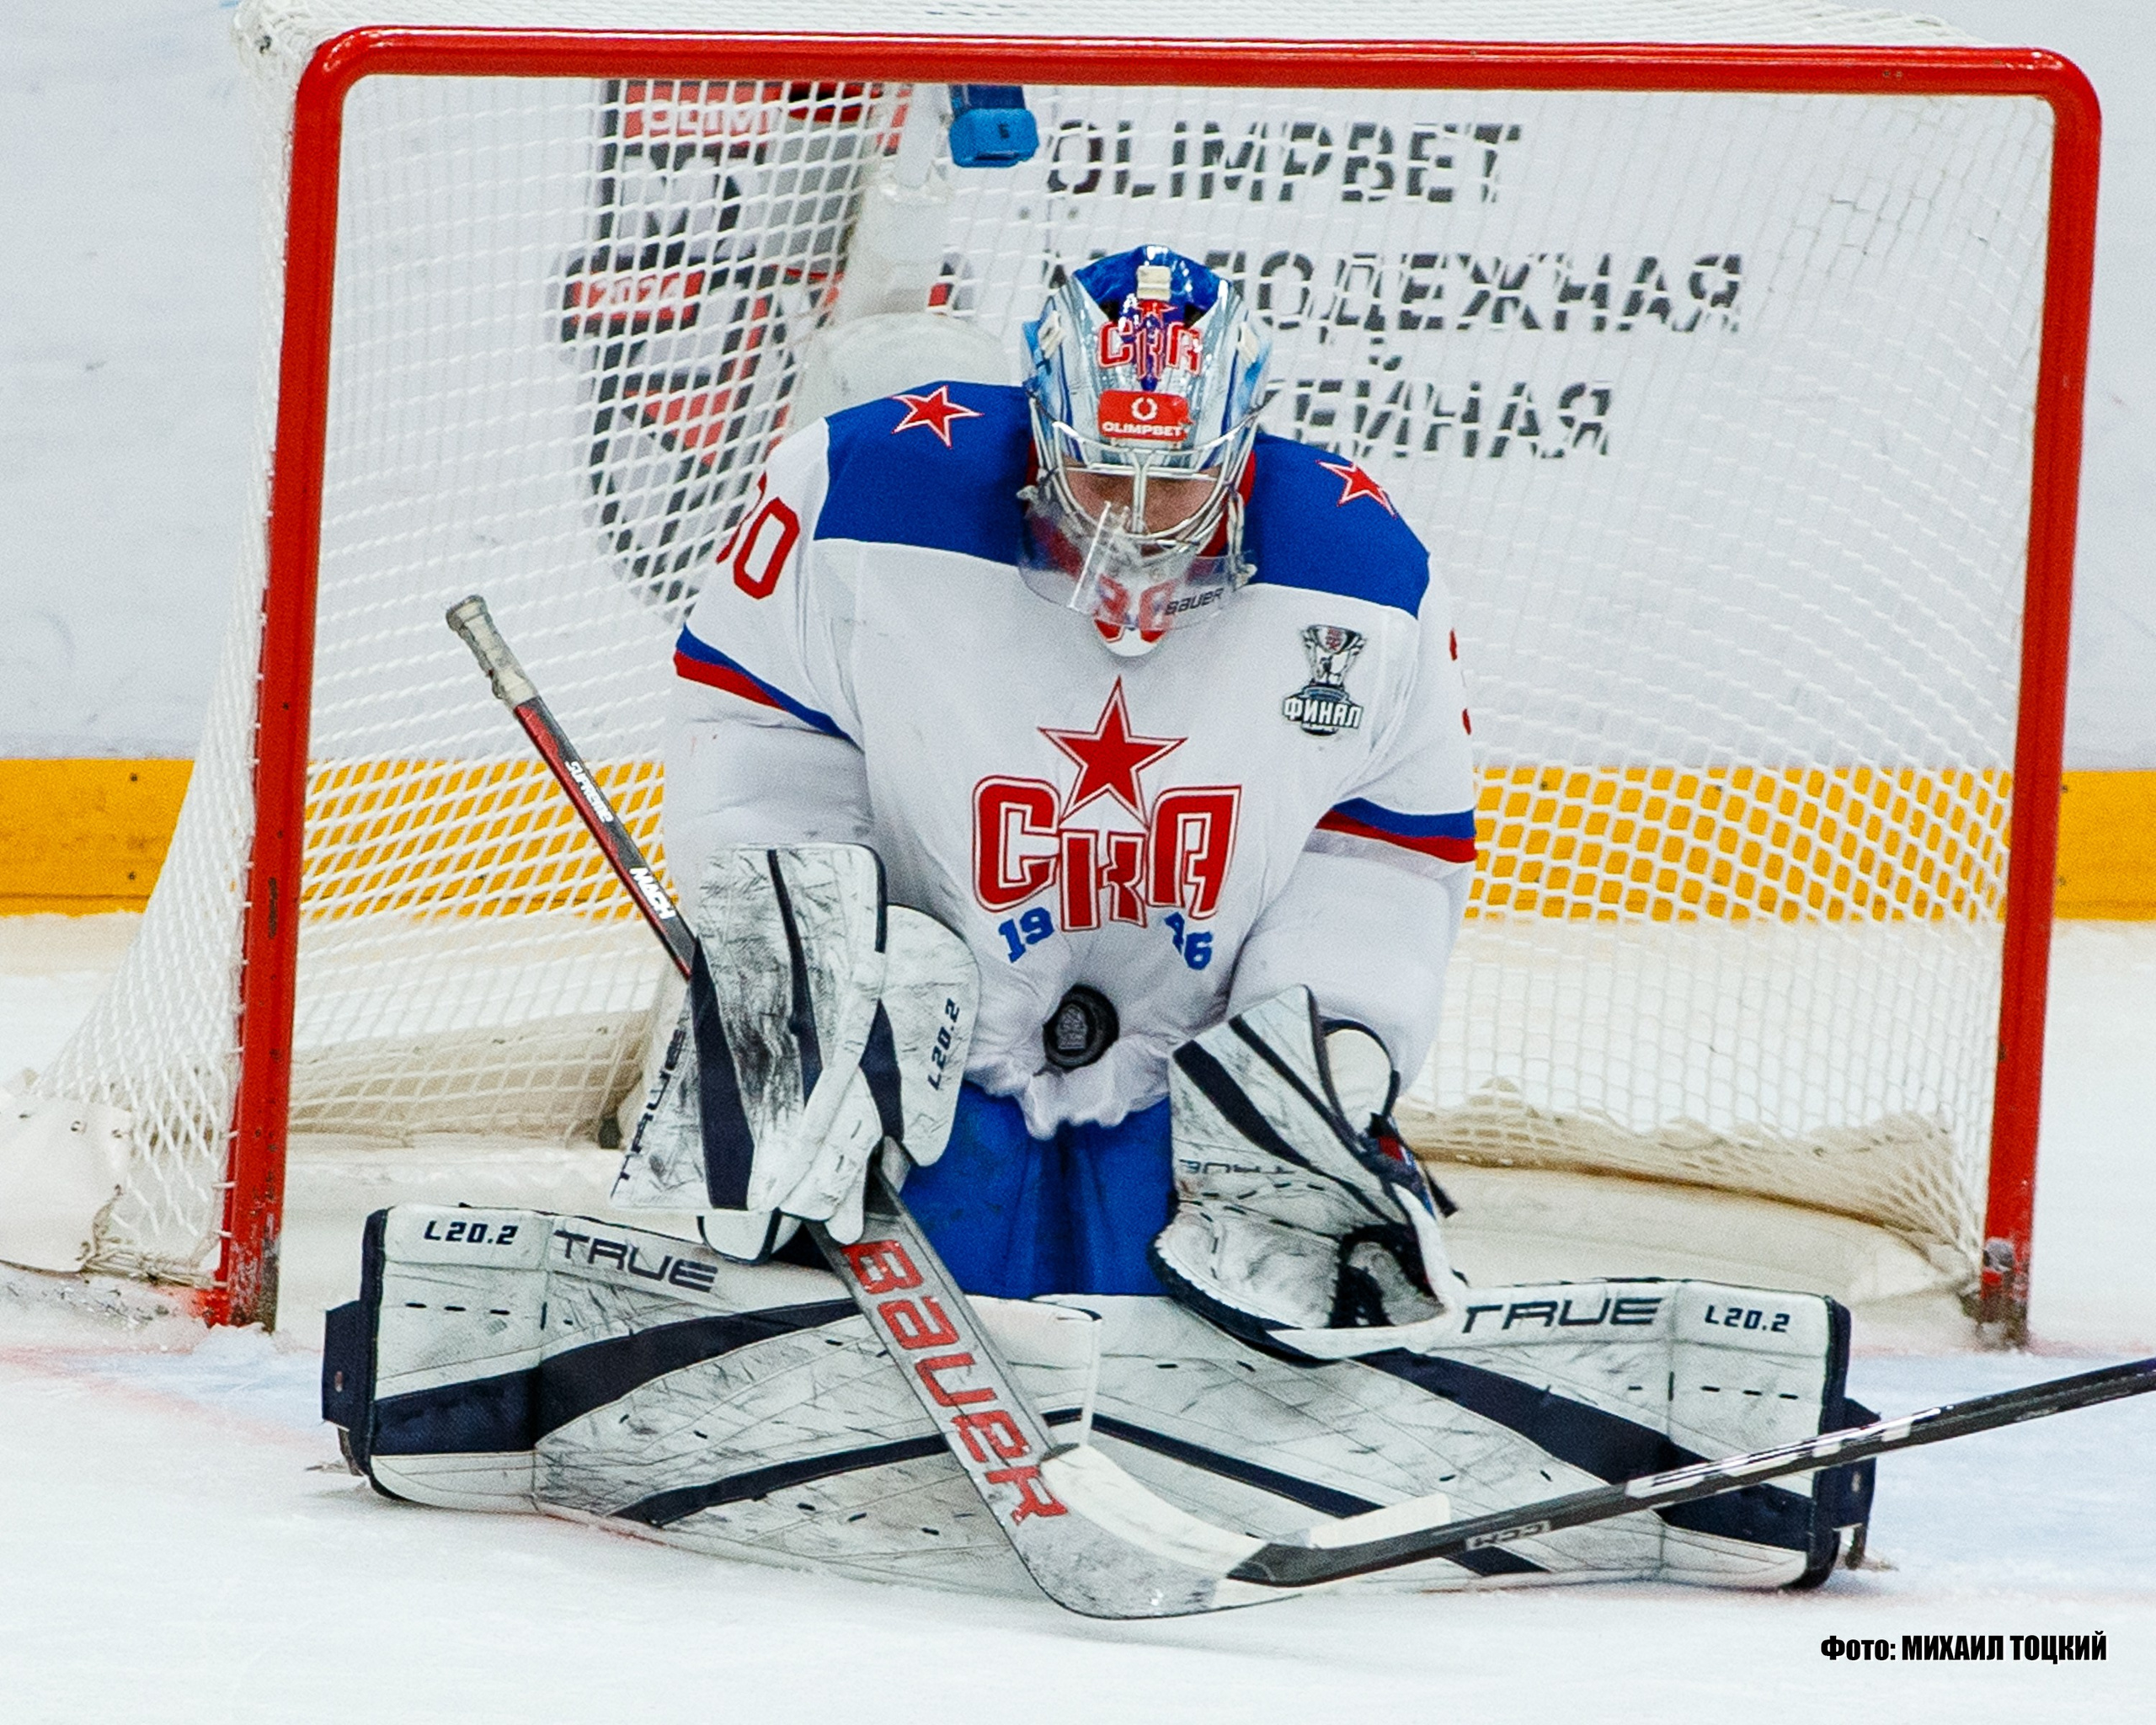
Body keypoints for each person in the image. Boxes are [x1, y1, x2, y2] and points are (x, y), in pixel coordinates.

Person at [323, 247, 1873, 1599]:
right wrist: (803, 981)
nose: (1138, 526)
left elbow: (1388, 843)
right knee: (846, 1245)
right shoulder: (860, 494)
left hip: (1185, 1055)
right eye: (1102, 478)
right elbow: (764, 748)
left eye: (1178, 483)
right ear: (1038, 436)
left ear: (1243, 449)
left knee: (1216, 1308)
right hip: (938, 1054)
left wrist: (1322, 1059)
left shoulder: (1365, 571)